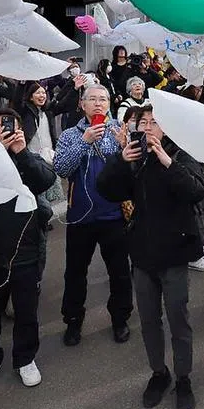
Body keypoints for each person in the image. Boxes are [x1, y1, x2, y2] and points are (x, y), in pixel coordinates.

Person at [96, 106, 204, 409]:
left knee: (178, 318)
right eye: (142, 122)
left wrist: (166, 161)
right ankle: (159, 373)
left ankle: (183, 377)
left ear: (167, 128)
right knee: (148, 320)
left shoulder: (180, 156)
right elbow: (106, 190)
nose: (147, 127)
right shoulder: (134, 159)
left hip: (174, 254)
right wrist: (121, 160)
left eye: (154, 122)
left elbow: (196, 191)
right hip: (142, 255)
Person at [0, 110, 57, 393]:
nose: (5, 130)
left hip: (25, 249)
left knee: (26, 310)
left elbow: (45, 181)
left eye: (11, 127)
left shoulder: (28, 158)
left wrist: (21, 154)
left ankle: (25, 358)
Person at [52, 85, 133, 348]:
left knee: (120, 273)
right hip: (80, 217)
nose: (98, 104)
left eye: (103, 99)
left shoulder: (119, 129)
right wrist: (84, 141)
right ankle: (73, 320)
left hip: (114, 215)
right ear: (82, 104)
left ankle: (120, 318)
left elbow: (131, 169)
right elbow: (62, 168)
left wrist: (124, 149)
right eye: (92, 100)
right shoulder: (69, 135)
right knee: (75, 273)